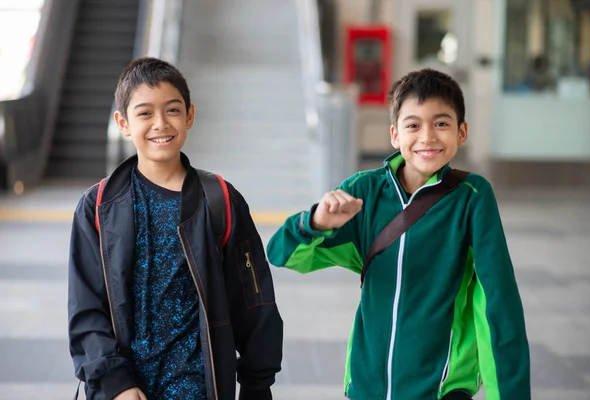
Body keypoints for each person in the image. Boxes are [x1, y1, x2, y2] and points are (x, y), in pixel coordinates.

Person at [266, 68, 530, 400]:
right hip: (367, 388)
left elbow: (498, 302)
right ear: (394, 134)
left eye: (441, 123)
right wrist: (315, 222)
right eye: (413, 125)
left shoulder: (472, 198)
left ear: (462, 132)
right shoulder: (365, 192)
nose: (428, 137)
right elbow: (282, 254)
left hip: (441, 389)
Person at [68, 57, 283, 400]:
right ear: (123, 123)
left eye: (172, 110)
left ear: (190, 116)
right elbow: (86, 309)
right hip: (123, 391)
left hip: (198, 387)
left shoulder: (221, 201)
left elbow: (254, 304)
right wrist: (115, 383)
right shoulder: (98, 207)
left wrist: (258, 385)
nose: (160, 123)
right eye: (145, 113)